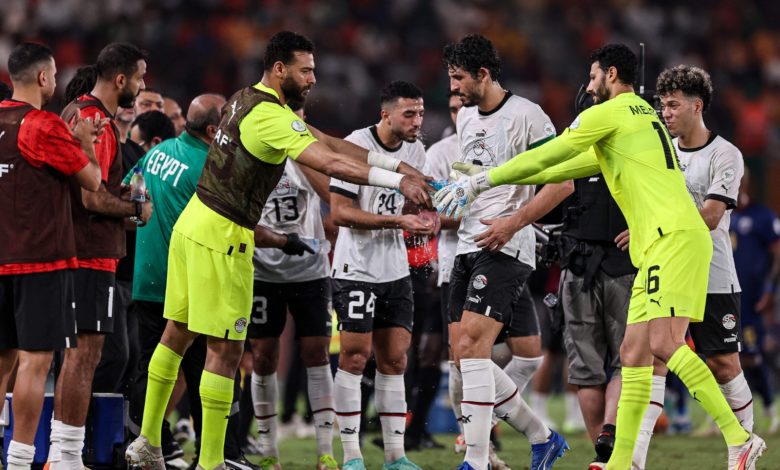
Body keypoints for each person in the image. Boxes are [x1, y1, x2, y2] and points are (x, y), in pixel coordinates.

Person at [435, 43, 766, 470]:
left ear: (610, 74)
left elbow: (552, 152)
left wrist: (480, 181)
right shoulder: (641, 116)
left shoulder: (608, 113)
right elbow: (558, 170)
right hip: (663, 242)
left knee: (665, 343)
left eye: (592, 77)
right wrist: (486, 179)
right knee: (633, 355)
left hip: (673, 239)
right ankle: (622, 462)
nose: (588, 87)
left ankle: (739, 438)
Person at [125, 31, 432, 470]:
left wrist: (399, 164)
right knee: (225, 352)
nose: (313, 78)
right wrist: (397, 182)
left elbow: (328, 141)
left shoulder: (244, 98)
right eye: (306, 70)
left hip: (194, 224)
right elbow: (328, 162)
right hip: (224, 234)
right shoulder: (270, 116)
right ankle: (210, 463)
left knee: (176, 333)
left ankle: (147, 441)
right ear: (280, 69)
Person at [441, 34, 570, 470]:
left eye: (459, 78)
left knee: (474, 346)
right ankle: (542, 437)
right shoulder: (466, 118)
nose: (453, 87)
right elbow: (476, 177)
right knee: (463, 357)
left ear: (483, 74)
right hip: (466, 244)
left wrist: (513, 223)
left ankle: (476, 461)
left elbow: (562, 184)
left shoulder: (528, 116)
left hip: (507, 244)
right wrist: (453, 196)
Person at [631, 65, 751, 468]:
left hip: (712, 272)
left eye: (672, 105)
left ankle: (743, 449)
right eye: (662, 105)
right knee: (654, 359)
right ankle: (635, 458)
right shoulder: (661, 151)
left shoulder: (725, 153)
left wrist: (657, 228)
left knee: (723, 364)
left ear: (696, 106)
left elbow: (712, 216)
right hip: (668, 269)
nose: (665, 113)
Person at [47, 42, 154, 470]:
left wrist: (123, 195)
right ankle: (66, 455)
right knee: (84, 357)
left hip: (78, 251)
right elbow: (90, 198)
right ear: (121, 79)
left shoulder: (78, 112)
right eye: (140, 78)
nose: (142, 86)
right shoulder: (95, 121)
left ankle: (63, 452)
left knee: (78, 356)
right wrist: (134, 209)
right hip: (89, 254)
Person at [0, 42, 103, 470]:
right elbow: (92, 180)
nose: (56, 81)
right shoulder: (42, 125)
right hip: (40, 262)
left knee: (1, 361)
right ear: (43, 77)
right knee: (34, 363)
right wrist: (85, 142)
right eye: (55, 74)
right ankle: (20, 461)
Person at [329, 80, 432, 470]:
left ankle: (395, 456)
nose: (417, 121)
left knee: (395, 361)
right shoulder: (355, 147)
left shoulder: (416, 150)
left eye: (420, 113)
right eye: (409, 114)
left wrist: (426, 215)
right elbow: (340, 213)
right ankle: (351, 455)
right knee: (355, 358)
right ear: (385, 115)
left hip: (396, 269)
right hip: (356, 268)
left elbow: (411, 205)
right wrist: (398, 221)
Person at [248, 101, 338, 470]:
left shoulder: (310, 157)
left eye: (298, 119)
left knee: (317, 354)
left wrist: (304, 157)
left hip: (310, 270)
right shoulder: (253, 156)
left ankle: (325, 452)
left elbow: (331, 195)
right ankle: (269, 451)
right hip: (263, 271)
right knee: (263, 357)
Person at [730, 169, 780, 434]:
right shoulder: (720, 215)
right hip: (724, 300)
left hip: (751, 301)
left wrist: (769, 292)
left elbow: (777, 254)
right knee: (720, 358)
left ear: (745, 183)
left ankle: (771, 411)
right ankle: (726, 420)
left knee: (751, 357)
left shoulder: (763, 217)